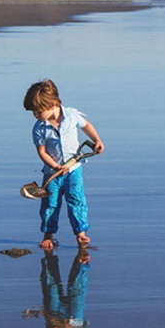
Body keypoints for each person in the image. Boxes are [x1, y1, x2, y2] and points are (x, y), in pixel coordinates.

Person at [23, 79, 104, 250]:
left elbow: (86, 125)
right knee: (50, 204)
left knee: (76, 200)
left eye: (38, 112)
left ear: (52, 105)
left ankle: (81, 233)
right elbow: (42, 152)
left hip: (73, 170)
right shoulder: (39, 128)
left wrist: (96, 140)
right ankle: (48, 234)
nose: (35, 116)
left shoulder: (72, 116)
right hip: (52, 173)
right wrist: (55, 166)